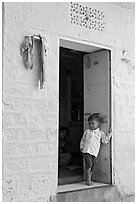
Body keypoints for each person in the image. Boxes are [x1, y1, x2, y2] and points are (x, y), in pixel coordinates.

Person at [80, 113, 112, 186]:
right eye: (89, 124)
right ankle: (88, 180)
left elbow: (105, 141)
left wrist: (110, 134)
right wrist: (81, 147)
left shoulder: (100, 133)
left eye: (93, 123)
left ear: (98, 124)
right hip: (86, 151)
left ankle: (89, 178)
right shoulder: (87, 132)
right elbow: (83, 140)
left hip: (94, 152)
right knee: (89, 165)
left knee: (92, 166)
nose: (91, 125)